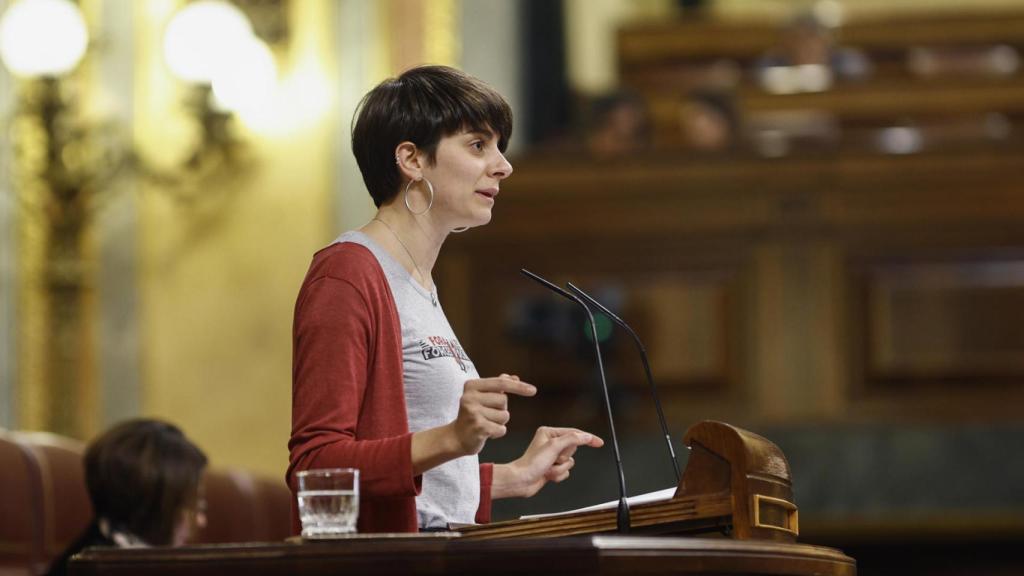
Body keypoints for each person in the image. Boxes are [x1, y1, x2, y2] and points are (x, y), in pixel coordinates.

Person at [287, 65, 605, 533]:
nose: (504, 165)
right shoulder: (347, 275)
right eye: (478, 145)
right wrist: (454, 437)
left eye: (500, 147)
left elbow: (421, 481)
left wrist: (513, 476)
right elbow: (315, 468)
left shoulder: (423, 286)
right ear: (412, 160)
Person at [45, 419, 208, 576]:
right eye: (193, 504)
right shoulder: (97, 567)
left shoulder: (115, 557)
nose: (200, 520)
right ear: (152, 505)